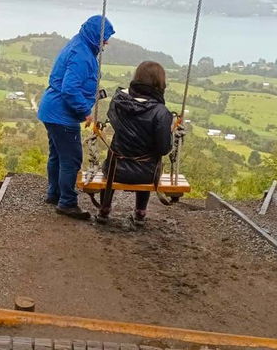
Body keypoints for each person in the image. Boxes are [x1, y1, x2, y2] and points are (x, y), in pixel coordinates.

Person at [37, 15, 115, 220]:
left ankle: (54, 194)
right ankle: (67, 203)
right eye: (104, 38)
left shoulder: (80, 45)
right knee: (71, 160)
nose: (106, 42)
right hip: (62, 116)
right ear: (95, 36)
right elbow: (70, 89)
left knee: (57, 155)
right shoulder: (82, 55)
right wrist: (85, 112)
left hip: (51, 111)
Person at [100, 61, 181, 224]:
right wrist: (170, 133)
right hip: (146, 174)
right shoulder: (161, 112)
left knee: (112, 159)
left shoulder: (118, 101)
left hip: (115, 169)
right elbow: (163, 149)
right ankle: (140, 212)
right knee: (150, 159)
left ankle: (104, 210)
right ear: (160, 83)